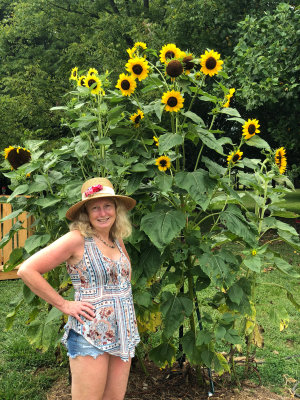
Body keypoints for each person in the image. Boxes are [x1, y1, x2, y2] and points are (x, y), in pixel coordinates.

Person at [18, 177, 140, 400]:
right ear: (86, 212)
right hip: (90, 333)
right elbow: (27, 270)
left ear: (116, 209)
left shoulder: (116, 237)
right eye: (95, 208)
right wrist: (64, 304)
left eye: (107, 206)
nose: (102, 213)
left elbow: (125, 277)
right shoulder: (77, 239)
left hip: (122, 331)